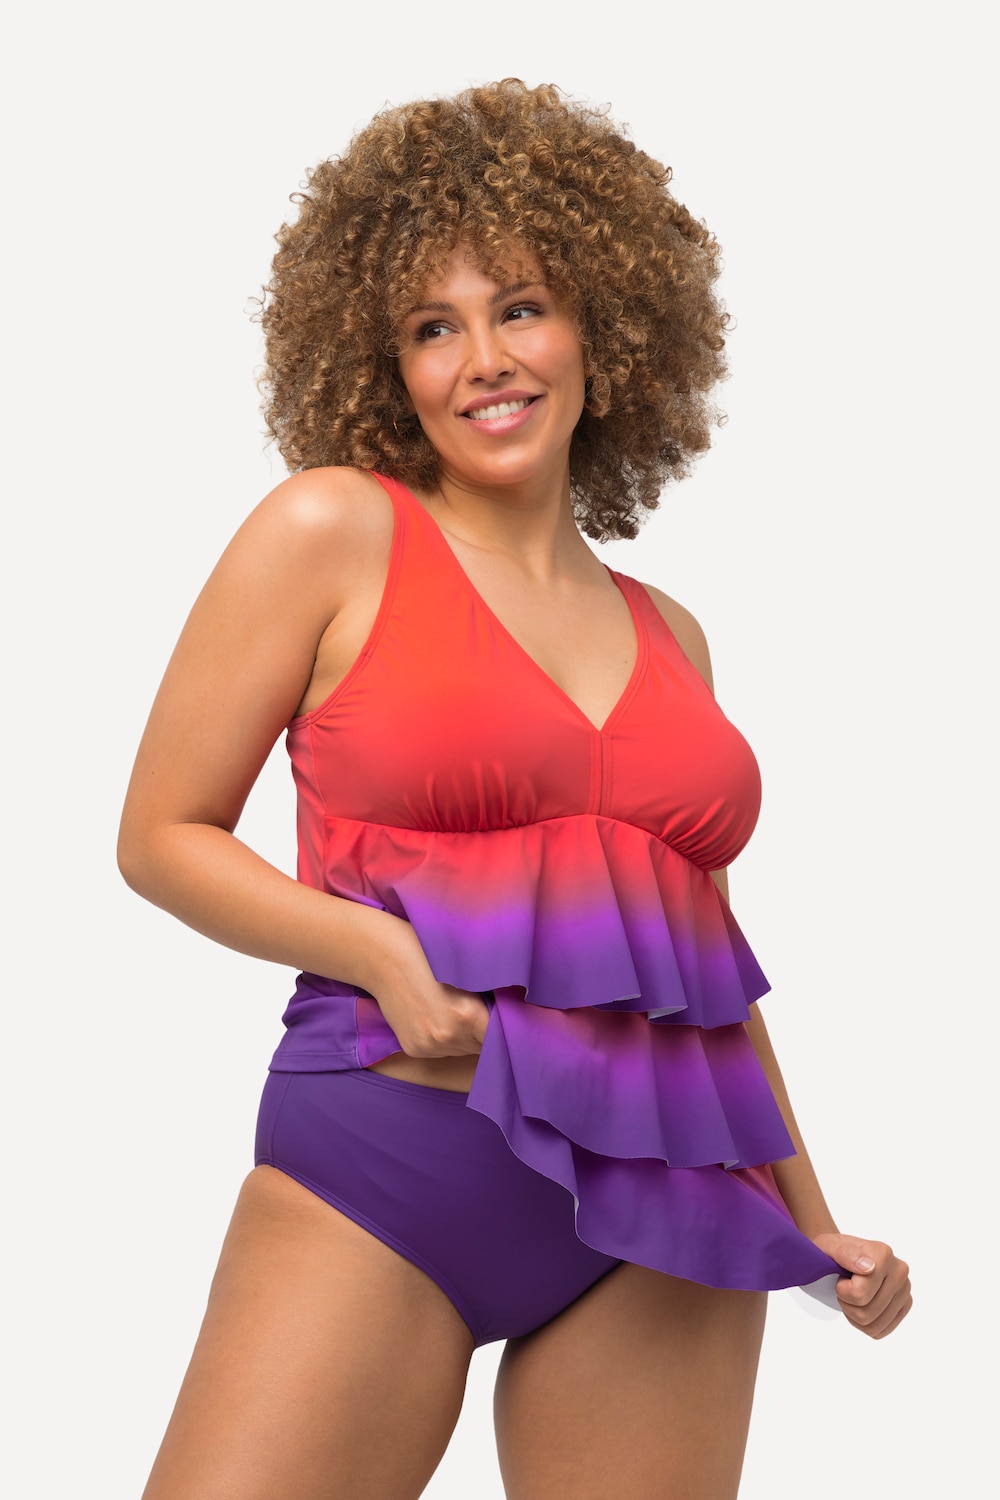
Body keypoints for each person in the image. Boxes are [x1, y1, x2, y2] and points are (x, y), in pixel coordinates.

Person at [118, 79, 911, 1500]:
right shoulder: (332, 531)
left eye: (522, 308)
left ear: (605, 329)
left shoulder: (672, 635)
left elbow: (703, 971)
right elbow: (160, 836)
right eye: (434, 327)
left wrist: (817, 1214)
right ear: (385, 365)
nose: (484, 360)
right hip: (393, 1155)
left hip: (674, 1203)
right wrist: (375, 953)